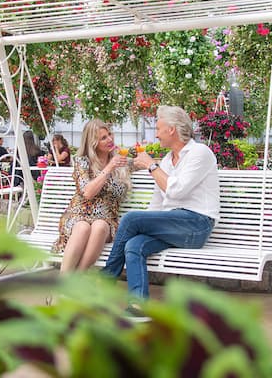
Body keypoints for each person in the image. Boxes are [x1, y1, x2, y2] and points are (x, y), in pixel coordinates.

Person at [102, 105, 219, 303]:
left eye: (158, 129)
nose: (156, 135)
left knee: (131, 218)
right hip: (172, 226)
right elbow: (158, 203)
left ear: (171, 129)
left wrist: (150, 165)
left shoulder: (200, 153)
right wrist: (143, 226)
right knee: (134, 245)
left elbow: (177, 190)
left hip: (196, 225)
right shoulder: (166, 161)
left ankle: (105, 280)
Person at [52, 119, 130, 272]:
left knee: (100, 226)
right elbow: (87, 193)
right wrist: (109, 168)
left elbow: (141, 162)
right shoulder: (82, 162)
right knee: (82, 228)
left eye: (109, 135)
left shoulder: (120, 162)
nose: (110, 140)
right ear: (93, 142)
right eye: (103, 138)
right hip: (78, 215)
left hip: (107, 219)